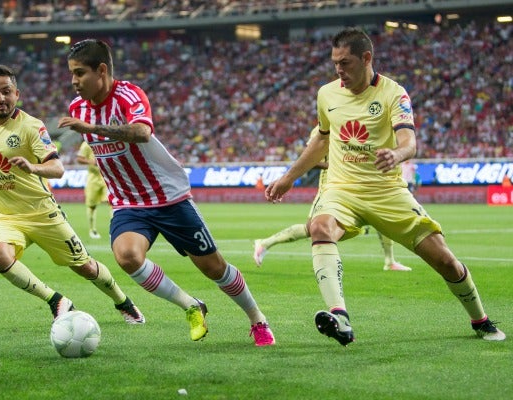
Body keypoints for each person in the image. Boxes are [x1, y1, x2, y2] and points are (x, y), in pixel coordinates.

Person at [265, 28, 505, 345]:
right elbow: (322, 139)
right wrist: (289, 176)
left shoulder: (394, 94)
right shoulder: (327, 94)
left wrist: (397, 153)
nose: (339, 70)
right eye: (335, 63)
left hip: (386, 192)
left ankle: (481, 319)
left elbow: (409, 141)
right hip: (342, 188)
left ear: (367, 58)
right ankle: (340, 316)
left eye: (345, 62)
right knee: (320, 226)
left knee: (444, 259)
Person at [57, 39, 275, 346]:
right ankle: (191, 305)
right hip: (128, 204)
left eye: (80, 73)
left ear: (101, 70)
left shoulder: (129, 95)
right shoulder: (77, 109)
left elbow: (142, 132)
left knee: (214, 268)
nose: (74, 81)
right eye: (71, 74)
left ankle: (258, 320)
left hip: (168, 197)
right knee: (127, 256)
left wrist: (93, 129)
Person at [0, 64, 145, 326]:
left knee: (86, 267)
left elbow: (57, 168)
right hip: (6, 218)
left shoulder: (31, 127)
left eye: (7, 92)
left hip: (44, 214)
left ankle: (123, 302)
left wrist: (34, 167)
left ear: (17, 94)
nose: (1, 98)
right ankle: (56, 300)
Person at [254, 131, 411, 272]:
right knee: (312, 228)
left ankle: (389, 261)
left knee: (379, 216)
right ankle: (265, 243)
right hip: (329, 185)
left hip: (352, 182)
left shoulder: (348, 122)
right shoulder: (321, 128)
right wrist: (334, 165)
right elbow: (310, 160)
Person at [76, 141, 109, 239]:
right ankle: (92, 230)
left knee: (112, 203)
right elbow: (79, 159)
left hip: (107, 177)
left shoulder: (107, 141)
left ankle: (114, 230)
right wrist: (92, 162)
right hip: (93, 178)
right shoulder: (87, 143)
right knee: (92, 205)